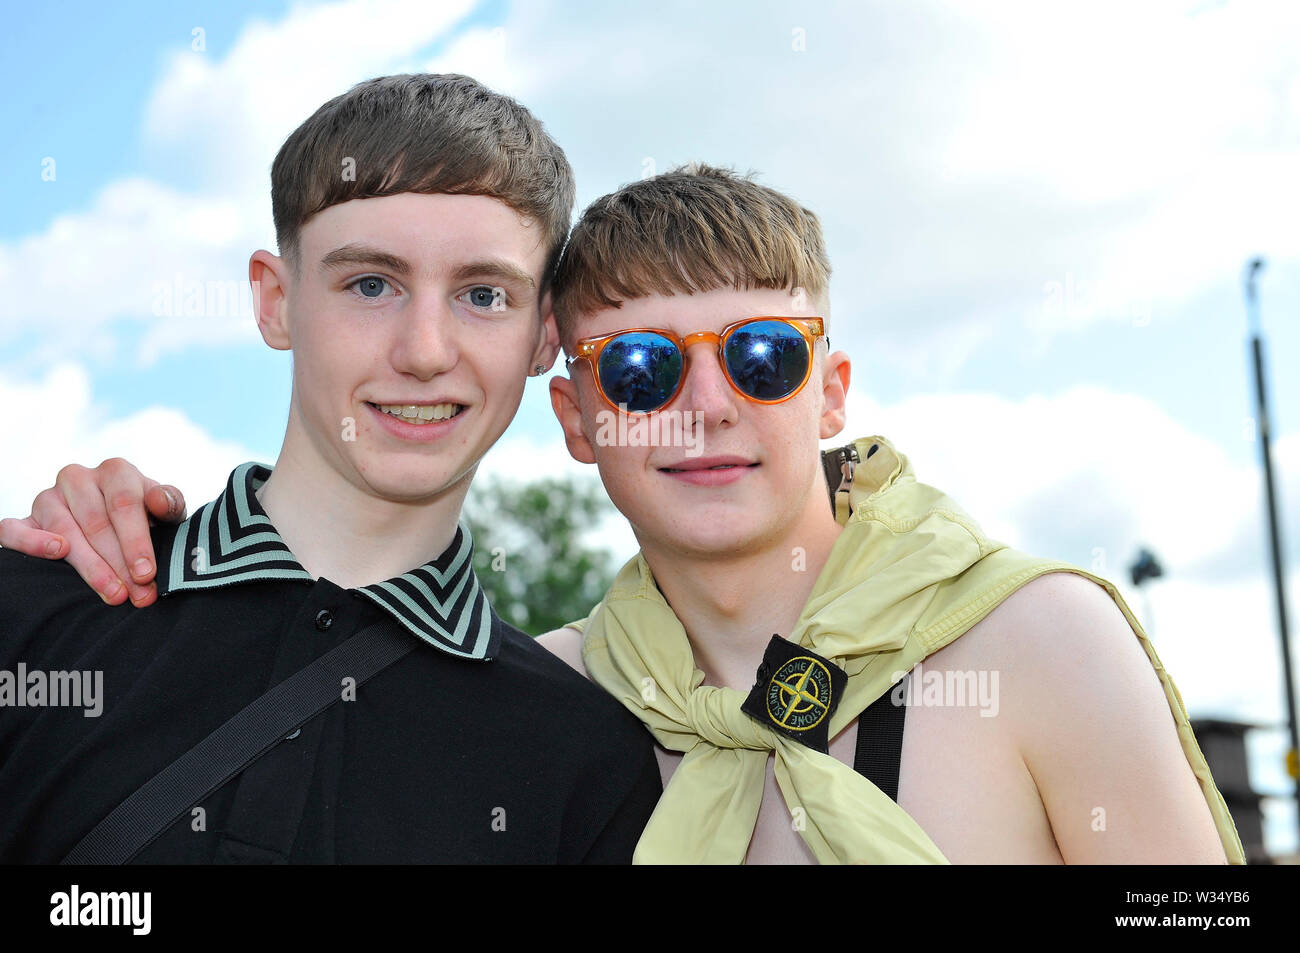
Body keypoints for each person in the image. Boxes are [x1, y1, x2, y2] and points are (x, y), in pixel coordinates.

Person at [4, 161, 1244, 864]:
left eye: (761, 354)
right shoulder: (566, 711)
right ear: (581, 422)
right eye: (642, 369)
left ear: (831, 394)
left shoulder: (1035, 643)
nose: (701, 407)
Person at [0, 73, 661, 864]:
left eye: (483, 294)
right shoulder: (34, 609)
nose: (424, 352)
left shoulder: (588, 757)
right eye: (371, 284)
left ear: (544, 335)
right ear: (275, 301)